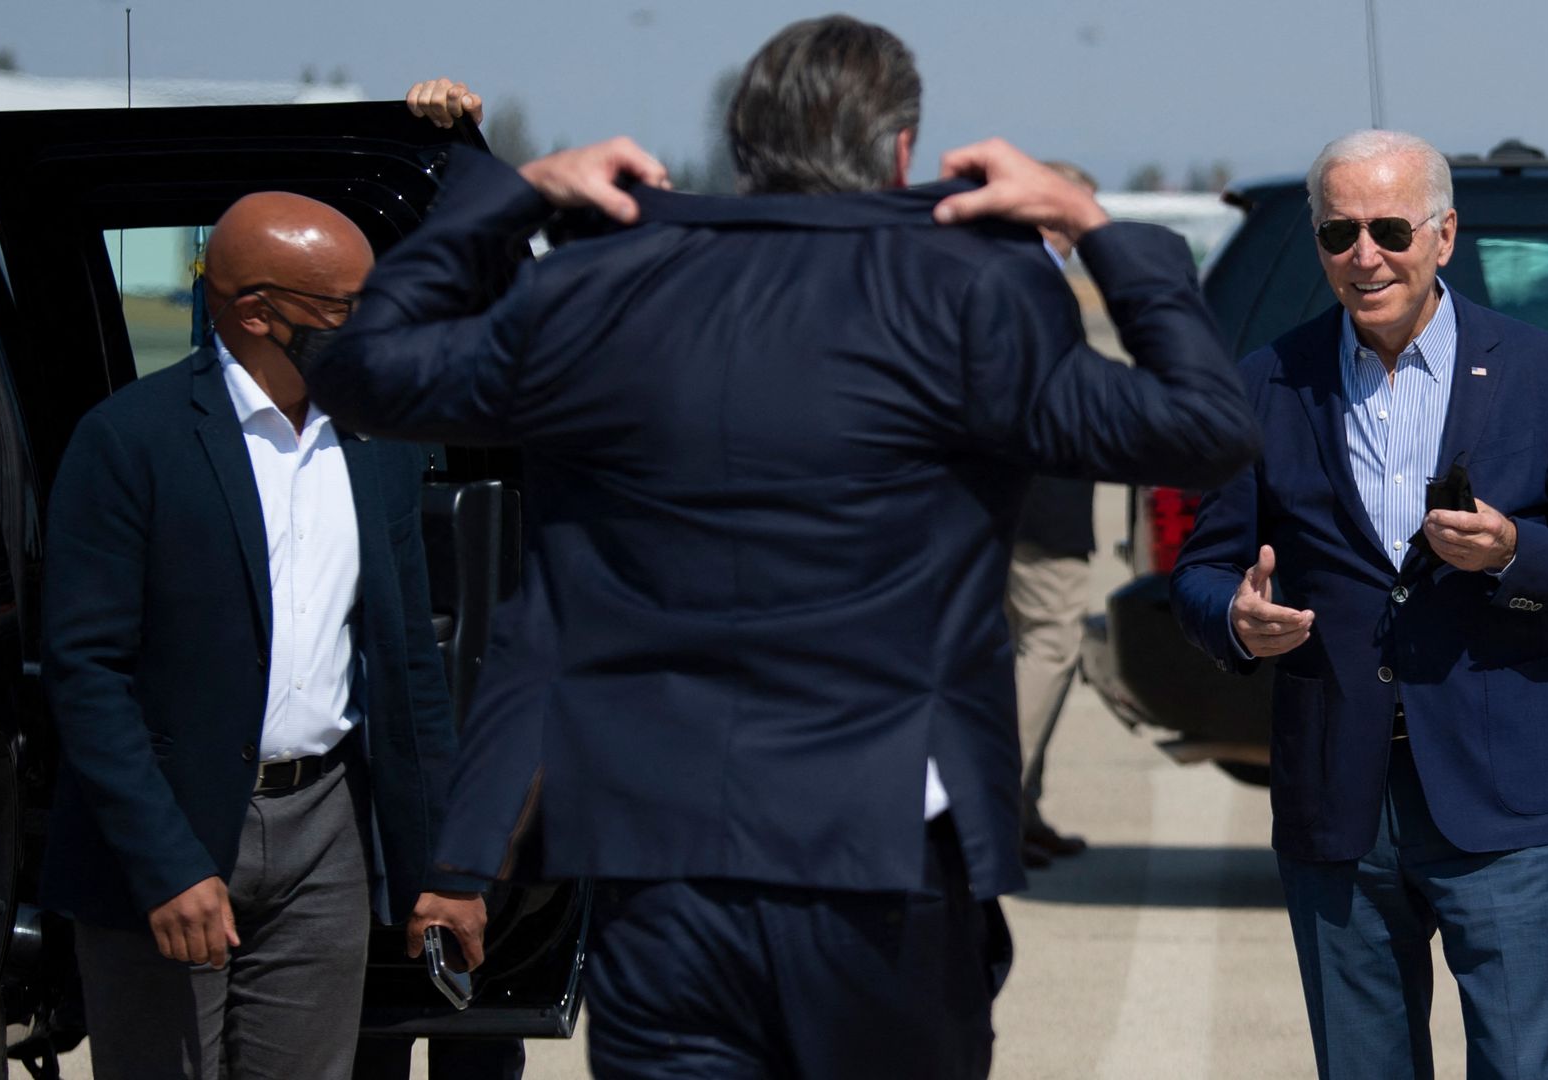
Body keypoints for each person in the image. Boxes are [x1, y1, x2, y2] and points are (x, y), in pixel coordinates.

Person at [303, 16, 1259, 1078]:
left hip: (655, 862)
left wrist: (516, 193)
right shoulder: (967, 297)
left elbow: (360, 370)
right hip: (881, 854)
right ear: (900, 149)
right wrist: (1086, 220)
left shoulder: (590, 294)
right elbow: (1206, 429)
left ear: (745, 147)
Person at [1169, 129, 1548, 1079]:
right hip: (1338, 801)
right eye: (1338, 231)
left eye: (1390, 228)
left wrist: (1517, 549)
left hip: (1497, 793)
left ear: (1444, 235)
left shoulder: (1533, 368)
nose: (1365, 255)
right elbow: (1198, 570)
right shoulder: (1267, 381)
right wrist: (1234, 617)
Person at [40, 188, 489, 1079]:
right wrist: (167, 866)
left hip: (326, 831)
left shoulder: (383, 443)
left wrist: (446, 866)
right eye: (347, 311)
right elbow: (87, 673)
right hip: (169, 839)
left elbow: (407, 669)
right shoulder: (130, 441)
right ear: (256, 313)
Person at [1009, 159, 1101, 868]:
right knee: (1050, 644)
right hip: (1039, 500)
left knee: (1020, 650)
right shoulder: (1035, 280)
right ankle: (994, 803)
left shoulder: (1006, 272)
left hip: (1013, 501)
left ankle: (1021, 808)